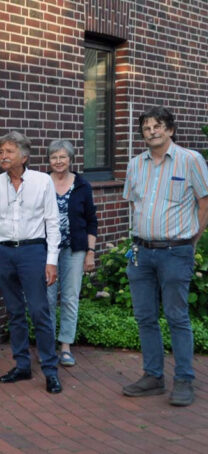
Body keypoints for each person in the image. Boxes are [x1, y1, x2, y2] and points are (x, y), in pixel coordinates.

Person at [122, 106, 208, 407]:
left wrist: (191, 242)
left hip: (176, 252)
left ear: (170, 130)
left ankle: (184, 380)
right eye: (146, 127)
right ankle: (153, 377)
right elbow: (134, 205)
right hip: (140, 253)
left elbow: (204, 202)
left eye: (158, 126)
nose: (152, 131)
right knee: (145, 317)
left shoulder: (190, 160)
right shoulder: (135, 165)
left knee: (176, 316)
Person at [0, 131, 62, 394]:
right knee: (15, 312)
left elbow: (52, 221)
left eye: (9, 151)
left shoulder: (42, 182)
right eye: (1, 152)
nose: (3, 156)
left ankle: (50, 370)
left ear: (24, 156)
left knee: (39, 311)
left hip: (32, 252)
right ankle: (22, 365)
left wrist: (51, 261)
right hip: (4, 253)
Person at [46, 140, 98, 367]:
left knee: (69, 298)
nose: (58, 161)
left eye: (62, 157)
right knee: (46, 298)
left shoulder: (82, 185)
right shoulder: (41, 183)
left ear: (70, 159)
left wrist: (90, 252)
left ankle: (65, 346)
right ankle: (47, 346)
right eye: (54, 157)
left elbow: (91, 221)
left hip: (74, 249)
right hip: (46, 250)